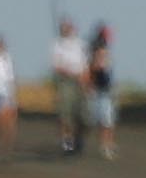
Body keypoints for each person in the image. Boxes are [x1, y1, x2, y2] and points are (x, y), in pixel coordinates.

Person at [49, 18, 89, 154]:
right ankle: (67, 144)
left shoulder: (80, 44)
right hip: (66, 82)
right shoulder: (58, 45)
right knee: (65, 115)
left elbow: (85, 65)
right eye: (64, 27)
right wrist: (70, 72)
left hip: (80, 81)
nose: (67, 29)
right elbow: (57, 66)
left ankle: (78, 139)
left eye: (69, 27)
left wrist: (85, 82)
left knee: (83, 115)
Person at [86, 22, 118, 160]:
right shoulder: (97, 49)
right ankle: (105, 146)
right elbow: (95, 68)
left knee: (108, 120)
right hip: (100, 89)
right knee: (105, 120)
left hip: (105, 88)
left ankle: (108, 144)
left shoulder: (100, 48)